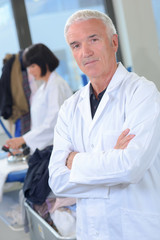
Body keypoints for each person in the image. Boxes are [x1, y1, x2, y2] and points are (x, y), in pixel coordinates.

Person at [48, 9, 160, 240]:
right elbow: (57, 181)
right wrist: (112, 161)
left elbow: (131, 167)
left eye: (94, 39)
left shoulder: (142, 93)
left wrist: (74, 161)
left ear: (114, 42)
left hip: (136, 230)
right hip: (91, 231)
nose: (85, 52)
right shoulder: (70, 108)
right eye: (76, 45)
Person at [6, 43, 72, 153]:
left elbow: (52, 124)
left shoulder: (56, 85)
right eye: (28, 67)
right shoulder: (42, 89)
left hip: (56, 149)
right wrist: (24, 147)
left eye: (32, 66)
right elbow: (38, 126)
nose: (30, 72)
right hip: (44, 149)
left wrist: (23, 139)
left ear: (44, 63)